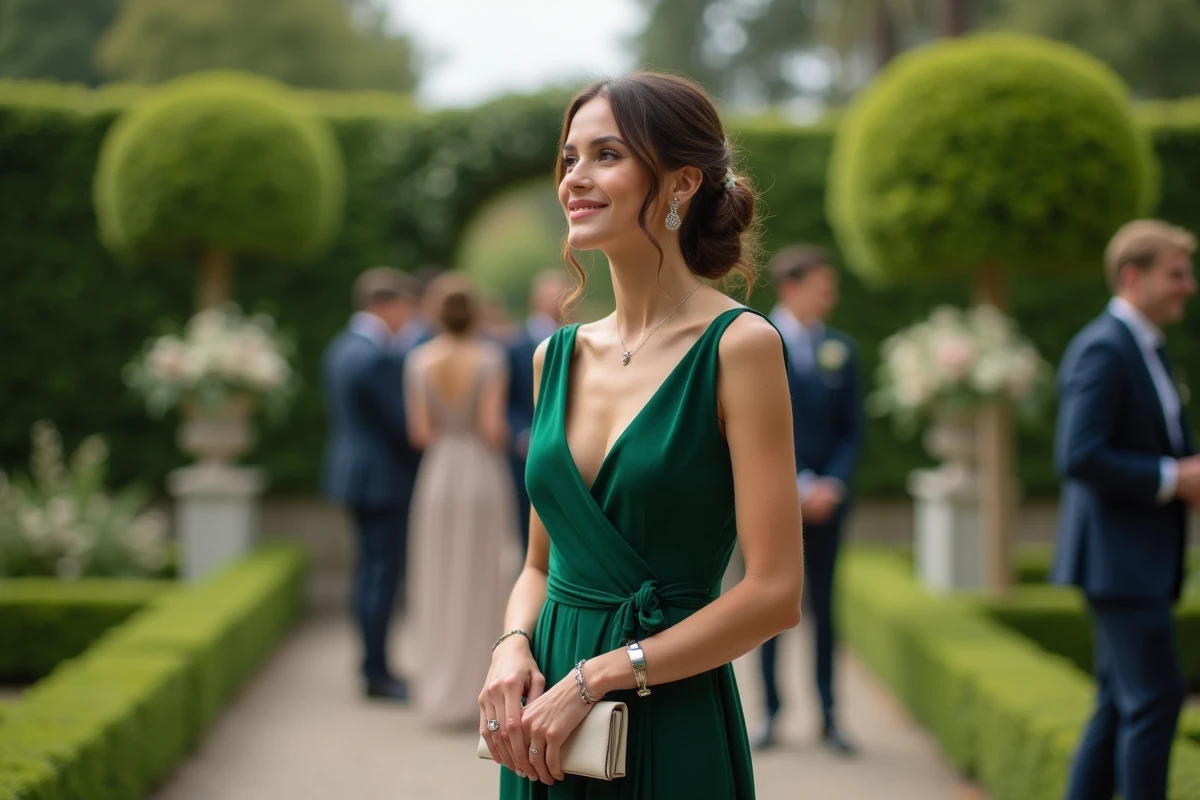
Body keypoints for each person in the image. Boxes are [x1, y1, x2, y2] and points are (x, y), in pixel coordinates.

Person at [478, 72, 804, 799]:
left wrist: (597, 677)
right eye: (570, 158)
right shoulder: (553, 357)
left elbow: (776, 592)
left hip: (667, 708)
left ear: (682, 182)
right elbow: (538, 565)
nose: (574, 178)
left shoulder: (740, 347)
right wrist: (511, 645)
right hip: (545, 724)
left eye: (607, 155)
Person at [1052, 219, 1198, 800]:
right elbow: (1078, 454)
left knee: (1119, 703)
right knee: (1156, 701)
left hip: (1133, 560)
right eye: (1176, 274)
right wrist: (1173, 477)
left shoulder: (1142, 346)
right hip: (1120, 562)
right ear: (1133, 277)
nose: (1188, 286)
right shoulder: (1105, 347)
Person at [404, 272, 522, 728]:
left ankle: (439, 690)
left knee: (439, 576)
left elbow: (420, 434)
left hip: (439, 474)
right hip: (480, 474)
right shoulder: (490, 358)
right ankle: (482, 688)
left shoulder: (418, 361)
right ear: (475, 314)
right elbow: (493, 430)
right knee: (484, 577)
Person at [757, 245, 862, 755]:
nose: (831, 297)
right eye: (823, 287)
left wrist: (830, 485)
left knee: (826, 609)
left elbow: (852, 431)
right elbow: (750, 430)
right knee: (763, 609)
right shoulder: (755, 342)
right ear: (792, 287)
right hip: (770, 507)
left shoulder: (842, 348)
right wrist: (793, 487)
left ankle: (829, 715)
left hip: (827, 505)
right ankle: (770, 713)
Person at [321, 267, 420, 701]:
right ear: (385, 305)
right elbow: (401, 423)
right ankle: (377, 672)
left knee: (367, 573)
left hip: (352, 474)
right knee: (381, 575)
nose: (407, 317)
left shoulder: (341, 346)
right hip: (382, 479)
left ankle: (372, 665)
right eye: (404, 307)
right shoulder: (375, 356)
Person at [506, 270, 574, 548]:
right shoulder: (515, 345)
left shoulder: (580, 339)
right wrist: (522, 433)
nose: (562, 302)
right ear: (537, 300)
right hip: (527, 449)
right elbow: (507, 399)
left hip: (569, 449)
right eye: (556, 296)